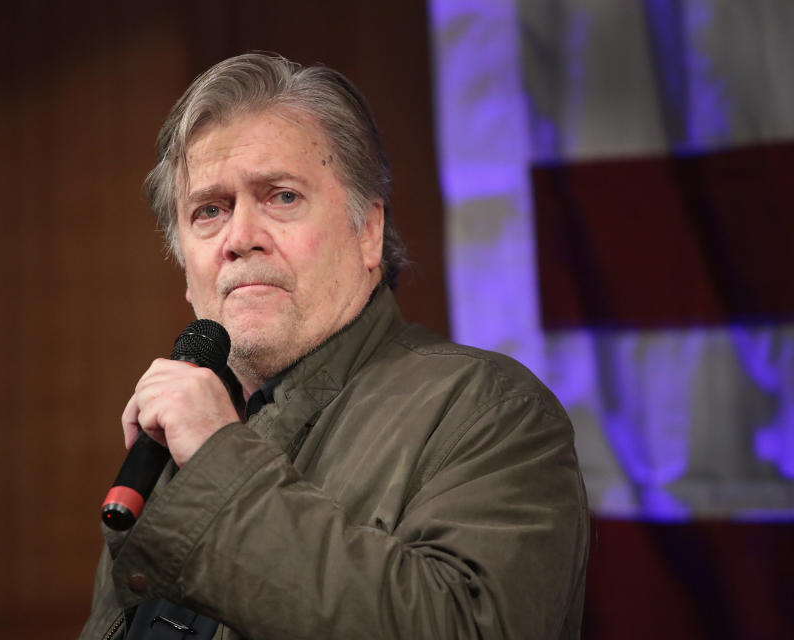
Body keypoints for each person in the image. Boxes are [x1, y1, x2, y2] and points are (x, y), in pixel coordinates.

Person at [80, 53, 588, 640]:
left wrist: (221, 457)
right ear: (185, 267)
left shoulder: (493, 410)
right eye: (209, 211)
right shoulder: (164, 454)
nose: (240, 239)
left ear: (368, 231)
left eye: (282, 197)